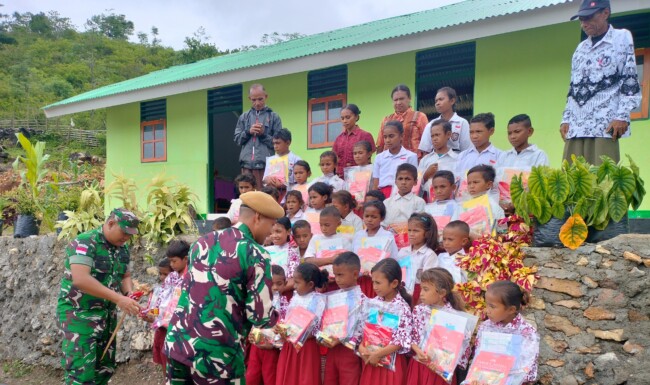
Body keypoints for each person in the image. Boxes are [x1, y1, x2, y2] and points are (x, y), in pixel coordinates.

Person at [165, 191, 284, 384]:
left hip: (178, 344)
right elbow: (260, 316)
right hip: (217, 355)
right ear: (258, 217)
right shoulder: (255, 253)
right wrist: (283, 325)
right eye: (271, 225)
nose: (271, 232)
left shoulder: (202, 242)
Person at [57, 208, 141, 385]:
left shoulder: (122, 248)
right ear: (111, 223)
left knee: (104, 369)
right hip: (80, 316)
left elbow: (125, 276)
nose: (126, 237)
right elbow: (80, 279)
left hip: (106, 317)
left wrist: (129, 293)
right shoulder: (85, 242)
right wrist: (119, 299)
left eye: (130, 234)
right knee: (81, 374)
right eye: (124, 232)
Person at [560, 0, 641, 165]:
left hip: (604, 126)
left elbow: (630, 77)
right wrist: (565, 119)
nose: (584, 23)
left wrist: (622, 116)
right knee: (572, 182)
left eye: (589, 17)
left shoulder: (621, 37)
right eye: (581, 19)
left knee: (604, 183)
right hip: (576, 127)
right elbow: (573, 87)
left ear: (605, 13)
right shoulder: (580, 49)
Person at [408, 268, 467, 385]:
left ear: (442, 293)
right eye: (421, 289)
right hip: (419, 365)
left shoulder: (455, 317)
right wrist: (417, 350)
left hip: (440, 371)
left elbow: (461, 349)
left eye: (426, 289)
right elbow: (411, 336)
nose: (421, 294)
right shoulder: (419, 310)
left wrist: (442, 362)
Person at [358, 258, 413, 385]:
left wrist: (378, 354)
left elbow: (401, 340)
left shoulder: (402, 308)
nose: (374, 287)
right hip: (372, 360)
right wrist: (362, 347)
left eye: (378, 283)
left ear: (394, 283)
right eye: (373, 282)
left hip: (390, 364)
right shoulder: (373, 303)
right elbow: (365, 331)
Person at [474, 281, 540, 383]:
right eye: (486, 305)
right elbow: (478, 358)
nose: (487, 310)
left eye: (492, 306)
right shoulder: (485, 327)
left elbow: (526, 370)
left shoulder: (526, 333)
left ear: (511, 310)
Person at [275, 263, 329, 385]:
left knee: (305, 378)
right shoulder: (295, 297)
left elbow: (317, 329)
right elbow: (289, 319)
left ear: (310, 284)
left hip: (306, 348)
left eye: (297, 282)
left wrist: (295, 334)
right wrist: (283, 331)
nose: (294, 286)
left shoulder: (318, 300)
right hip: (290, 346)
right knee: (288, 376)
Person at [321, 252, 366, 385]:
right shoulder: (332, 297)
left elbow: (361, 330)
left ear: (355, 274)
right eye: (335, 275)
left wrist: (341, 339)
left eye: (340, 275)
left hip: (349, 351)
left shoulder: (363, 300)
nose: (337, 279)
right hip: (332, 348)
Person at [151, 240, 190, 379]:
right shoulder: (172, 277)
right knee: (165, 361)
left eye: (174, 261)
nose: (172, 265)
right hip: (165, 327)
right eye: (170, 261)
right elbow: (162, 301)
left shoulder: (191, 277)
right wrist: (152, 314)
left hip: (181, 330)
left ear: (186, 259)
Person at [245, 265, 289, 385]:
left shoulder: (288, 306)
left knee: (270, 378)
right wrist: (252, 336)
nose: (275, 288)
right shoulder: (259, 300)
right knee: (251, 377)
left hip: (272, 349)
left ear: (285, 283)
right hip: (256, 346)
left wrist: (275, 343)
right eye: (271, 284)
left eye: (279, 284)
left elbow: (287, 330)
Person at [234, 84, 283, 189]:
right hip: (246, 166)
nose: (257, 103)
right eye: (254, 100)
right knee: (247, 198)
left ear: (266, 96)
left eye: (260, 99)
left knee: (263, 197)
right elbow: (237, 140)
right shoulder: (244, 117)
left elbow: (279, 144)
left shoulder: (274, 117)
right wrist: (248, 132)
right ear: (249, 99)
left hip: (266, 166)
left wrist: (263, 134)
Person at [353, 200, 399, 298]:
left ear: (381, 218)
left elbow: (393, 258)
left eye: (374, 217)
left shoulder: (387, 236)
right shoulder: (358, 235)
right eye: (367, 216)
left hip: (380, 280)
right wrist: (361, 270)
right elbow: (355, 256)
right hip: (362, 279)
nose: (369, 220)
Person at [397, 213, 439, 305]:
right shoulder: (402, 252)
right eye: (409, 230)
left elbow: (428, 281)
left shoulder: (429, 255)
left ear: (426, 234)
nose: (411, 234)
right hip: (400, 293)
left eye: (416, 231)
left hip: (418, 295)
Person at [376, 84, 428, 156]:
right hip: (389, 162)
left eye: (401, 99)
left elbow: (427, 143)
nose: (398, 103)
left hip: (413, 162)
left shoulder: (420, 117)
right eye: (395, 100)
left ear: (409, 98)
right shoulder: (386, 120)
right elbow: (380, 145)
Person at [372, 120, 418, 198]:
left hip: (403, 194)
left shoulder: (410, 156)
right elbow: (376, 182)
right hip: (382, 195)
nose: (387, 140)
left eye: (391, 136)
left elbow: (414, 180)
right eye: (385, 137)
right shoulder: (379, 157)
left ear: (401, 136)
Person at [419, 87, 472, 154]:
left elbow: (467, 150)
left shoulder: (462, 123)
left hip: (456, 162)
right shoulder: (431, 124)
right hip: (435, 162)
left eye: (441, 99)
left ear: (452, 101)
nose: (437, 103)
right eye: (436, 101)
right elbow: (425, 151)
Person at [333, 104, 376, 178]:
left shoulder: (365, 135)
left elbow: (369, 158)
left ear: (356, 117)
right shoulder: (338, 139)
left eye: (348, 117)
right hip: (341, 177)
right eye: (342, 118)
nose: (345, 121)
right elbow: (334, 158)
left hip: (360, 176)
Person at [418, 119, 458, 199]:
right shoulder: (425, 160)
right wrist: (426, 175)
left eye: (437, 135)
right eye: (432, 136)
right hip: (428, 201)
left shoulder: (457, 159)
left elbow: (459, 184)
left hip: (451, 201)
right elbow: (416, 185)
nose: (434, 139)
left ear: (448, 134)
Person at [455, 113, 502, 178]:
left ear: (491, 131)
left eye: (479, 131)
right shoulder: (462, 156)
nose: (474, 136)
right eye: (471, 132)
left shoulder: (500, 156)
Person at [263, 128, 302, 201]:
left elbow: (299, 180)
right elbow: (265, 178)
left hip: (289, 197)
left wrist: (282, 184)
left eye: (278, 143)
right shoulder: (270, 160)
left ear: (288, 143)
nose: (275, 146)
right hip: (272, 196)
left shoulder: (296, 159)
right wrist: (268, 180)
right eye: (274, 143)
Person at [265, 217, 300, 297]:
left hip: (284, 296)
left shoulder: (292, 253)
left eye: (278, 232)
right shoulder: (264, 250)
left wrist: (275, 290)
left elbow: (293, 280)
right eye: (271, 232)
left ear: (288, 231)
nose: (274, 236)